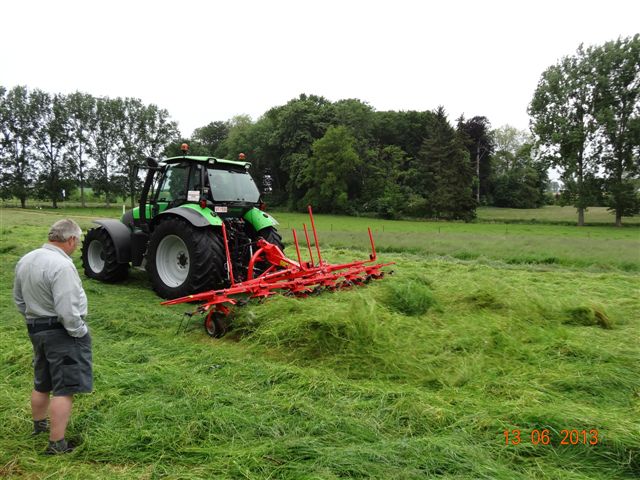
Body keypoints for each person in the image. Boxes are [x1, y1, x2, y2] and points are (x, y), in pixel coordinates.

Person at [13, 218, 92, 455]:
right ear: (70, 239)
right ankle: (57, 444)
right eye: (76, 242)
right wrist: (80, 331)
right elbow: (67, 309)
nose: (76, 246)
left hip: (36, 328)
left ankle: (40, 426)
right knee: (64, 387)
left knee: (42, 381)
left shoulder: (26, 259)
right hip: (62, 332)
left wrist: (34, 320)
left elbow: (18, 299)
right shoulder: (62, 265)